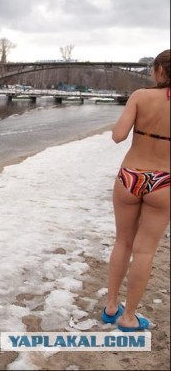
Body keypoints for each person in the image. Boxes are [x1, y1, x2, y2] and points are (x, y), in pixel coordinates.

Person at [102, 49, 170, 331]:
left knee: (123, 242)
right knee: (144, 252)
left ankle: (110, 306)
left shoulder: (140, 96)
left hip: (130, 176)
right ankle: (129, 317)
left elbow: (118, 136)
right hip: (164, 181)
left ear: (158, 71)